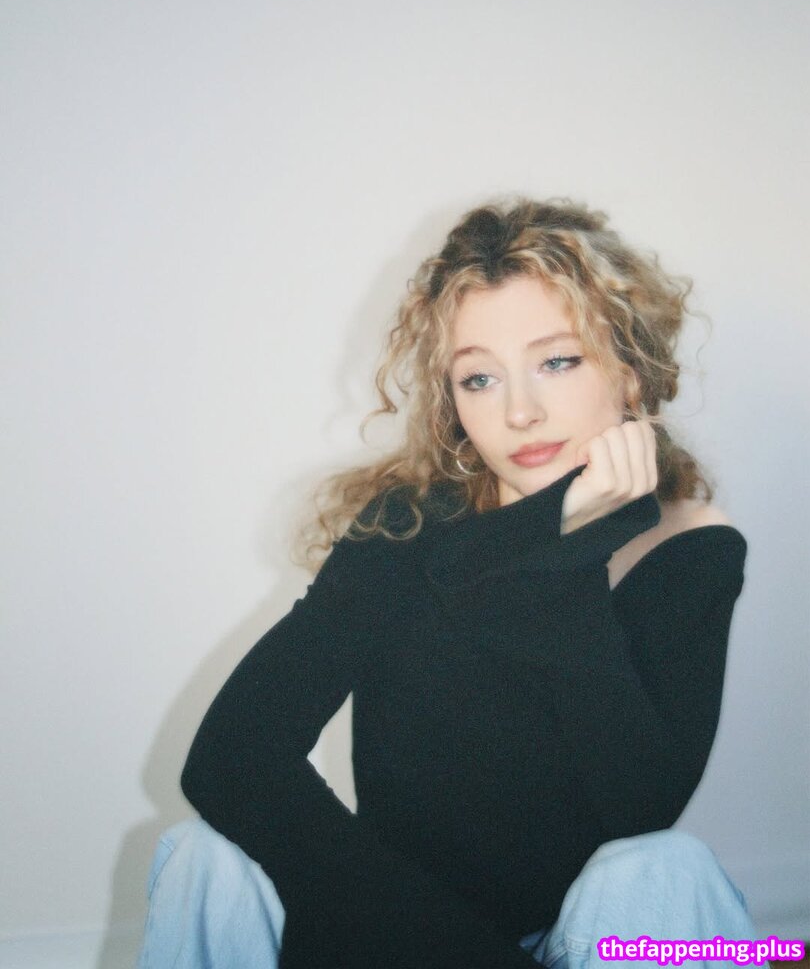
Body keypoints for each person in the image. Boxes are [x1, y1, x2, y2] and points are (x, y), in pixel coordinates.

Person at [137, 198, 758, 968]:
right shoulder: (408, 529)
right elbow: (232, 761)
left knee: (665, 868)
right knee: (203, 855)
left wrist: (570, 554)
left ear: (629, 373)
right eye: (480, 379)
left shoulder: (689, 548)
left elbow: (641, 808)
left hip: (567, 944)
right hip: (391, 934)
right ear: (453, 402)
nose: (520, 411)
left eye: (558, 362)